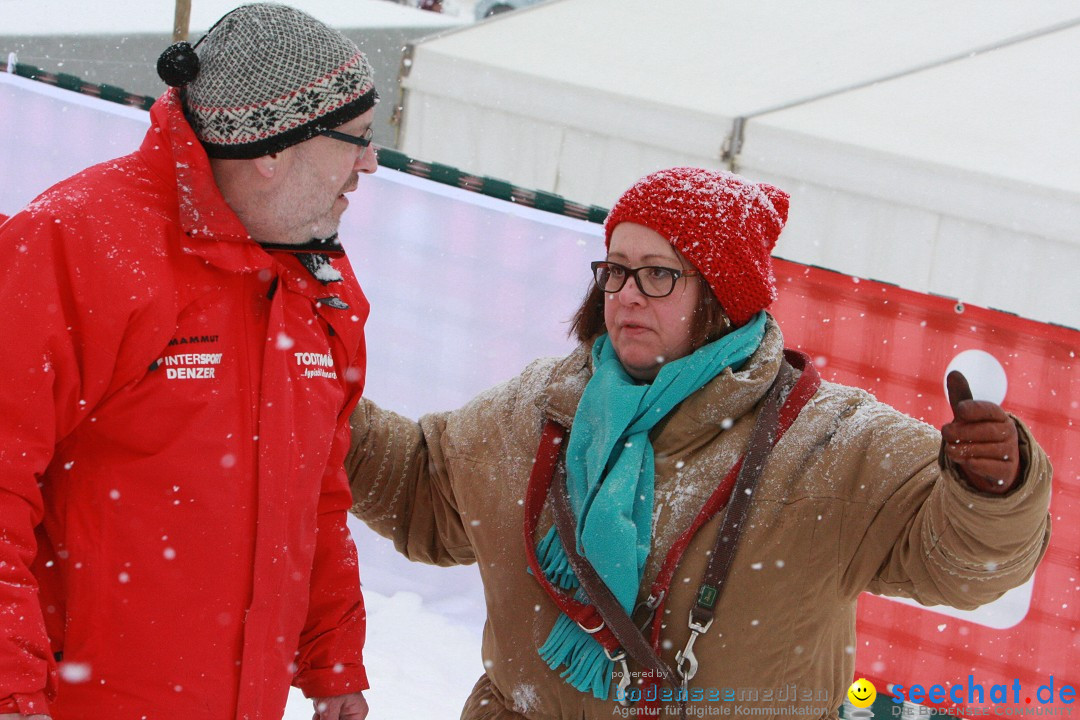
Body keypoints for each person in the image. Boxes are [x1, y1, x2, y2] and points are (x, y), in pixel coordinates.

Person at [344, 167, 1053, 719]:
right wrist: (322, 404)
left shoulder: (832, 440)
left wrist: (994, 489)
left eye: (659, 274)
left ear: (722, 295)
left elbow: (963, 566)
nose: (625, 294)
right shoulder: (543, 405)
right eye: (616, 268)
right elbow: (424, 495)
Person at [0, 4, 379, 719]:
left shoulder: (319, 283)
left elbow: (318, 495)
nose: (369, 163)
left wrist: (333, 657)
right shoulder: (77, 243)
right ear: (272, 148)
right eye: (355, 139)